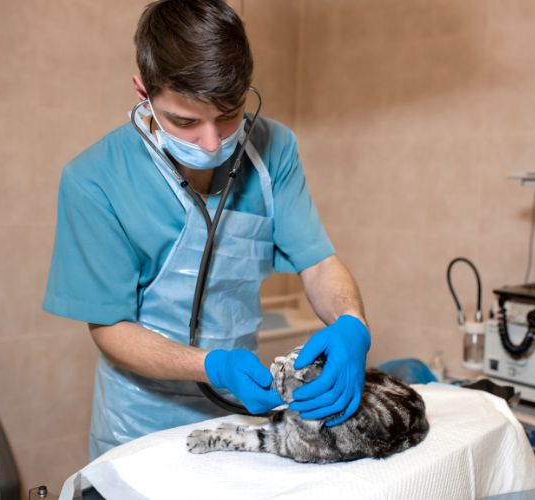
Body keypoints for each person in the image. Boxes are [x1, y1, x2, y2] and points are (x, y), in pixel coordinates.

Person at [43, 0, 371, 461]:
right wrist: (211, 365)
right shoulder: (94, 179)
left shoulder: (274, 149)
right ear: (143, 93)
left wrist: (351, 323)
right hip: (139, 427)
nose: (214, 143)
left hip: (240, 418)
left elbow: (317, 263)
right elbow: (111, 328)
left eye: (230, 115)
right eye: (186, 122)